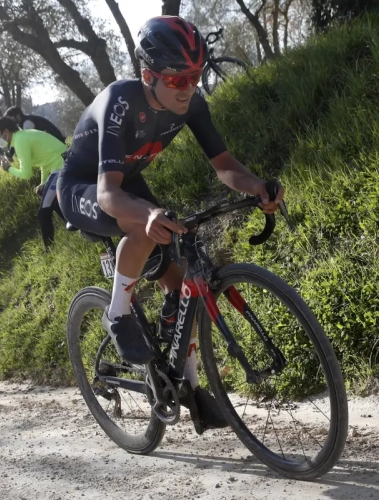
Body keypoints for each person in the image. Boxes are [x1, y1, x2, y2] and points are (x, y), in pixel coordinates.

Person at [57, 16, 284, 430]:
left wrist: (256, 187)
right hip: (83, 187)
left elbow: (225, 165)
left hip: (125, 181)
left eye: (196, 76)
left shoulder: (192, 102)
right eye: (178, 80)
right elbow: (109, 196)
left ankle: (191, 388)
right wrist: (145, 214)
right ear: (148, 74)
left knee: (181, 282)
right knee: (143, 226)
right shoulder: (120, 102)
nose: (190, 88)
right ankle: (119, 312)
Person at [0, 117, 68, 250]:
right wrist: (43, 183)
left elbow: (26, 174)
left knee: (43, 212)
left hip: (62, 167)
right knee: (48, 199)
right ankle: (77, 226)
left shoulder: (20, 141)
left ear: (6, 132)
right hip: (61, 164)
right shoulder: (22, 137)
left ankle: (49, 251)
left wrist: (8, 168)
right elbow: (45, 162)